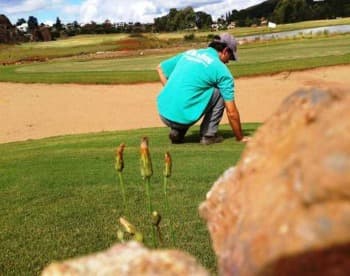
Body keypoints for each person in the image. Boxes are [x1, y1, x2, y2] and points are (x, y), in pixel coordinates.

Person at [156, 33, 249, 145]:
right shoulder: (221, 70)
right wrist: (240, 138)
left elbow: (160, 68)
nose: (228, 61)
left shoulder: (190, 53)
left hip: (163, 113)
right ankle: (208, 135)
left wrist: (170, 90)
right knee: (219, 92)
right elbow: (231, 112)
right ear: (225, 51)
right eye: (230, 57)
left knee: (193, 88)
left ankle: (177, 131)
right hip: (183, 117)